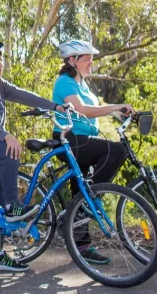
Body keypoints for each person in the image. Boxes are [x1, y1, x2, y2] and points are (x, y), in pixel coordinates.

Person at [0, 42, 66, 272]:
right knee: (11, 150)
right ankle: (12, 206)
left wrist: (55, 106)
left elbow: (24, 96)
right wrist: (7, 136)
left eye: (1, 61)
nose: (0, 65)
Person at [51, 39, 135, 265]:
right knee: (116, 151)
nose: (91, 63)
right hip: (69, 140)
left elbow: (95, 109)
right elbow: (83, 111)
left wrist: (120, 113)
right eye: (86, 59)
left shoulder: (83, 85)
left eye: (91, 59)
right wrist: (114, 107)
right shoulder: (64, 82)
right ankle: (85, 205)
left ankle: (82, 245)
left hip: (82, 142)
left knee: (80, 190)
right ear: (72, 60)